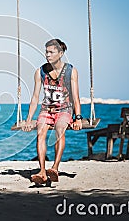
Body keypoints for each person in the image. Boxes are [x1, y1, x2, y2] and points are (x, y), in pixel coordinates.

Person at [22, 38, 83, 185]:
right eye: (46, 52)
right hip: (46, 109)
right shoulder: (40, 72)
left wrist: (78, 117)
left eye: (51, 52)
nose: (47, 55)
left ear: (60, 53)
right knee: (40, 132)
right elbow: (35, 97)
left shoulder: (71, 71)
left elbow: (75, 97)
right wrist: (29, 119)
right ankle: (42, 172)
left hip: (64, 109)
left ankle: (54, 168)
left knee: (60, 129)